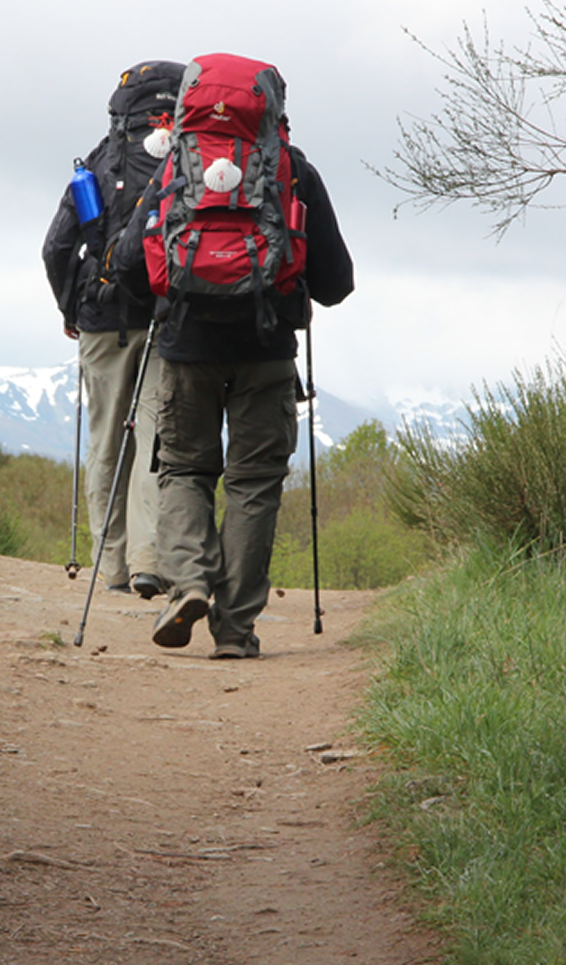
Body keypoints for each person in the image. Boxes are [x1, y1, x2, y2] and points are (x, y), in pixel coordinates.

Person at [111, 71, 353, 659]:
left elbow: (126, 267)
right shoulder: (293, 169)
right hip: (267, 351)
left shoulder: (175, 168)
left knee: (184, 471)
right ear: (272, 108)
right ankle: (235, 629)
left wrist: (170, 300)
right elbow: (336, 284)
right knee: (254, 485)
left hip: (186, 348)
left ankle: (189, 584)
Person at [40, 61, 184, 598]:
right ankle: (152, 558)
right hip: (166, 317)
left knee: (105, 442)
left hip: (101, 320)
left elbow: (55, 247)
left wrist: (69, 309)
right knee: (154, 440)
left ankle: (114, 565)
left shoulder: (99, 164)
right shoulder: (187, 157)